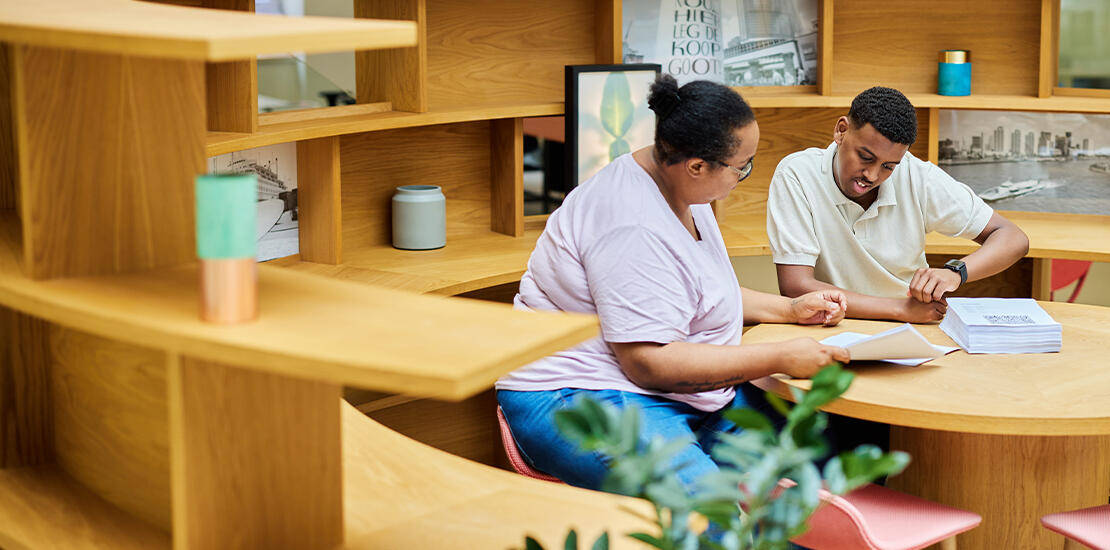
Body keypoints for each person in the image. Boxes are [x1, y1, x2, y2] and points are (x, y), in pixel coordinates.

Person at [495, 74, 851, 495]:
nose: (745, 176)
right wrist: (778, 357)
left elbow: (689, 292)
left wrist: (788, 310)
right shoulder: (631, 223)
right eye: (743, 166)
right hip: (581, 391)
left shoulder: (682, 188)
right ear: (698, 166)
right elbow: (649, 363)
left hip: (664, 388)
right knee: (709, 516)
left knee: (835, 453)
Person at [767, 86, 1030, 322]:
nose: (871, 176)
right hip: (835, 324)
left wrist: (956, 272)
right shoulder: (797, 174)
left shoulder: (917, 175)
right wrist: (899, 309)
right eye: (865, 157)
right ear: (841, 130)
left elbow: (1013, 237)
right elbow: (796, 286)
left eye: (888, 166)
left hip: (911, 326)